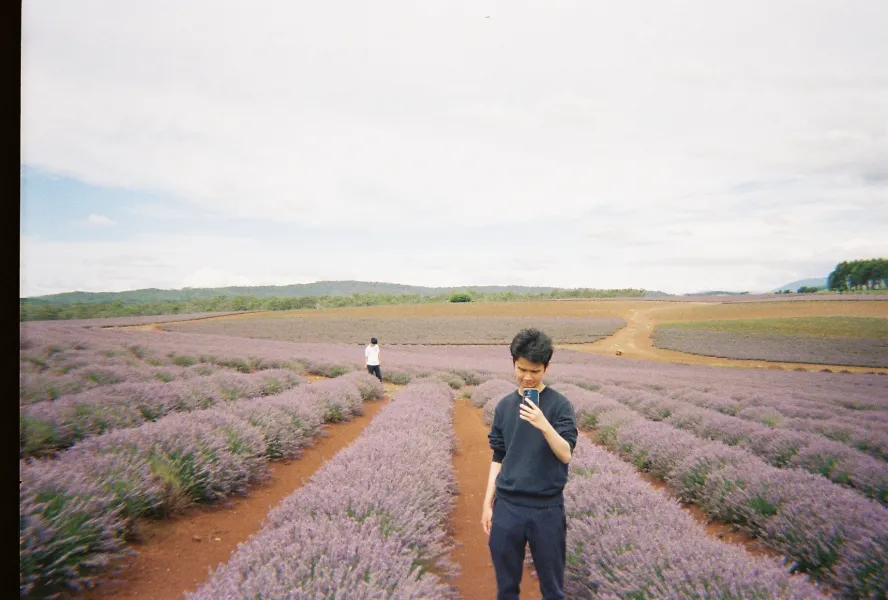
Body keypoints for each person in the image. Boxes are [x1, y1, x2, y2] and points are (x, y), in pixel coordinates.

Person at [481, 328, 578, 600]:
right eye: (522, 369)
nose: (527, 377)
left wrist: (543, 423)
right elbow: (498, 457)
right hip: (507, 507)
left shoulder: (560, 406)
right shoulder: (503, 407)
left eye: (535, 371)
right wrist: (487, 503)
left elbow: (566, 453)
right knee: (506, 589)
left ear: (546, 367)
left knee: (552, 590)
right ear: (513, 363)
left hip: (546, 508)